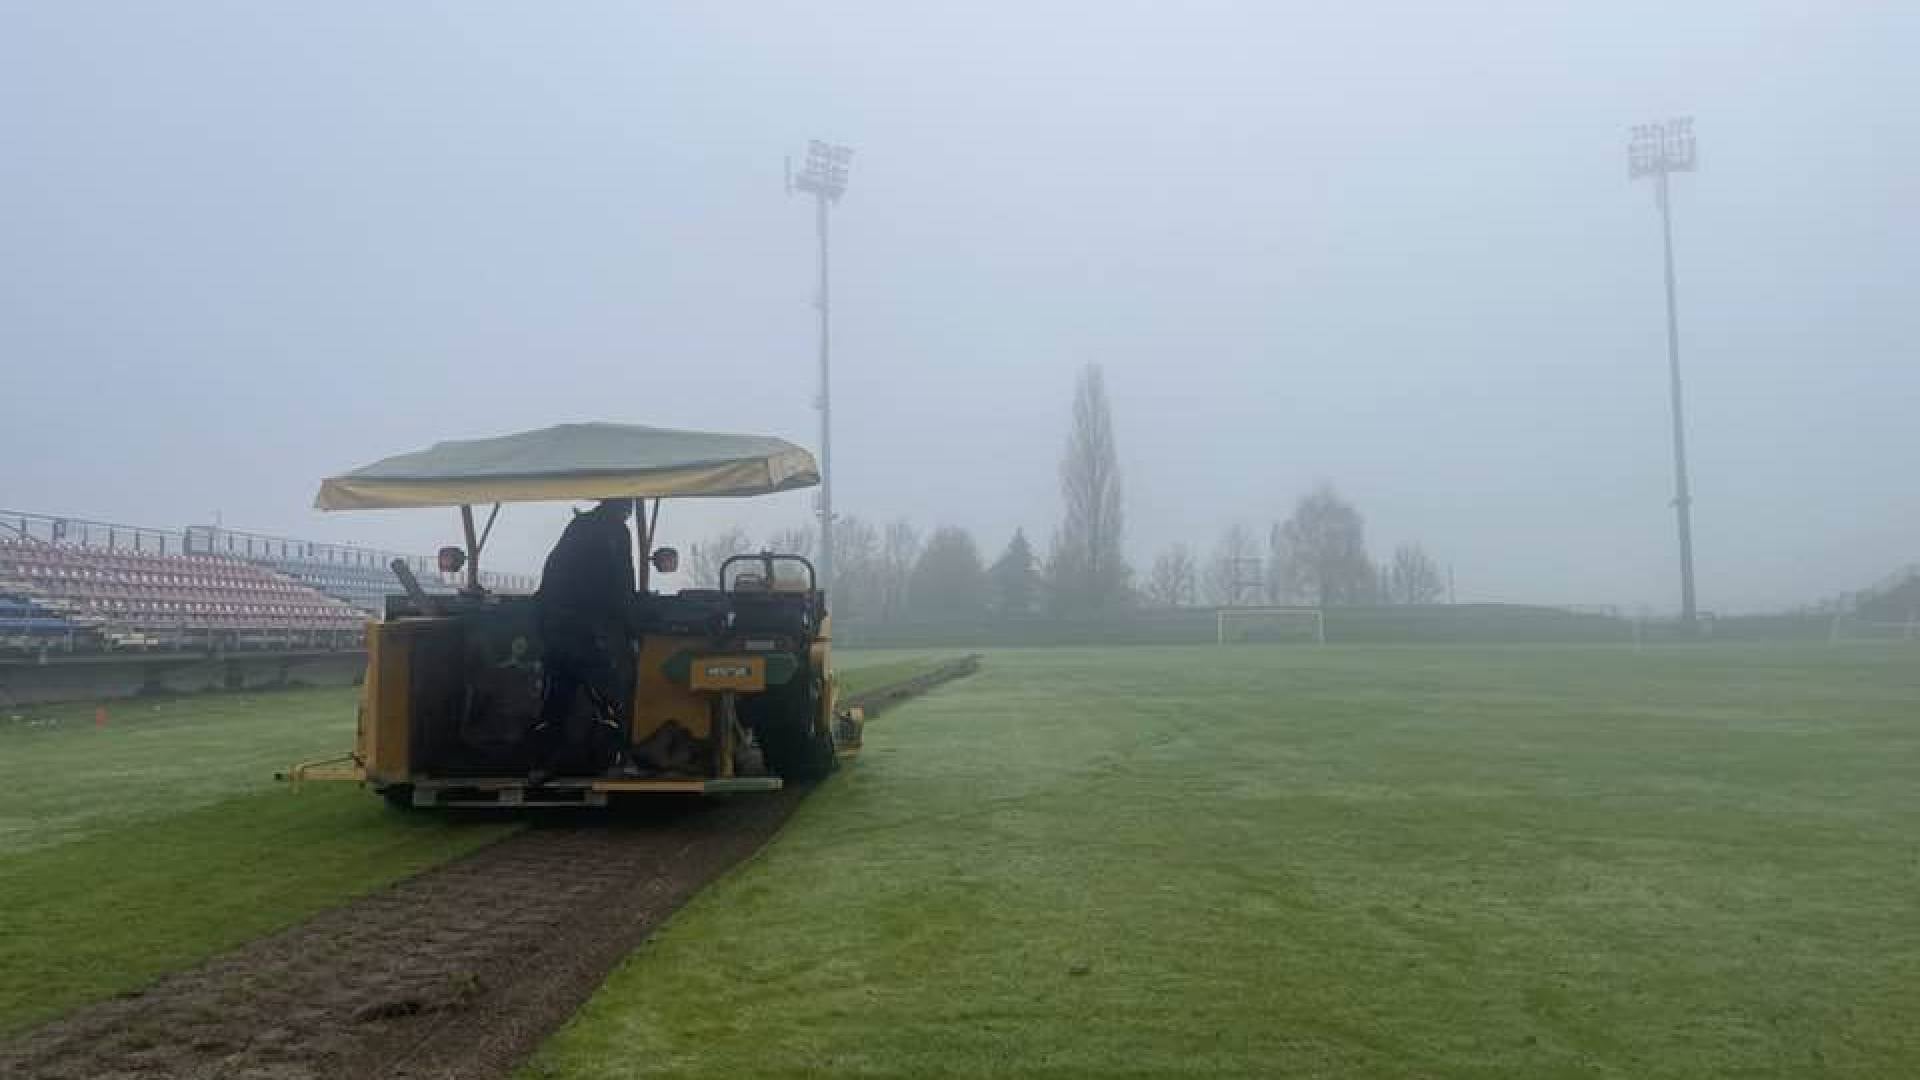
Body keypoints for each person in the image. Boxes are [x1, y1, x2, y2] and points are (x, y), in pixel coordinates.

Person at [527, 499, 637, 785]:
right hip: (591, 631)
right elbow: (622, 583)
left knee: (555, 701)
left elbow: (550, 577)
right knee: (609, 698)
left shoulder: (578, 527)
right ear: (623, 506)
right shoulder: (615, 533)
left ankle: (543, 765)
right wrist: (630, 622)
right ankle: (613, 762)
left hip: (556, 630)